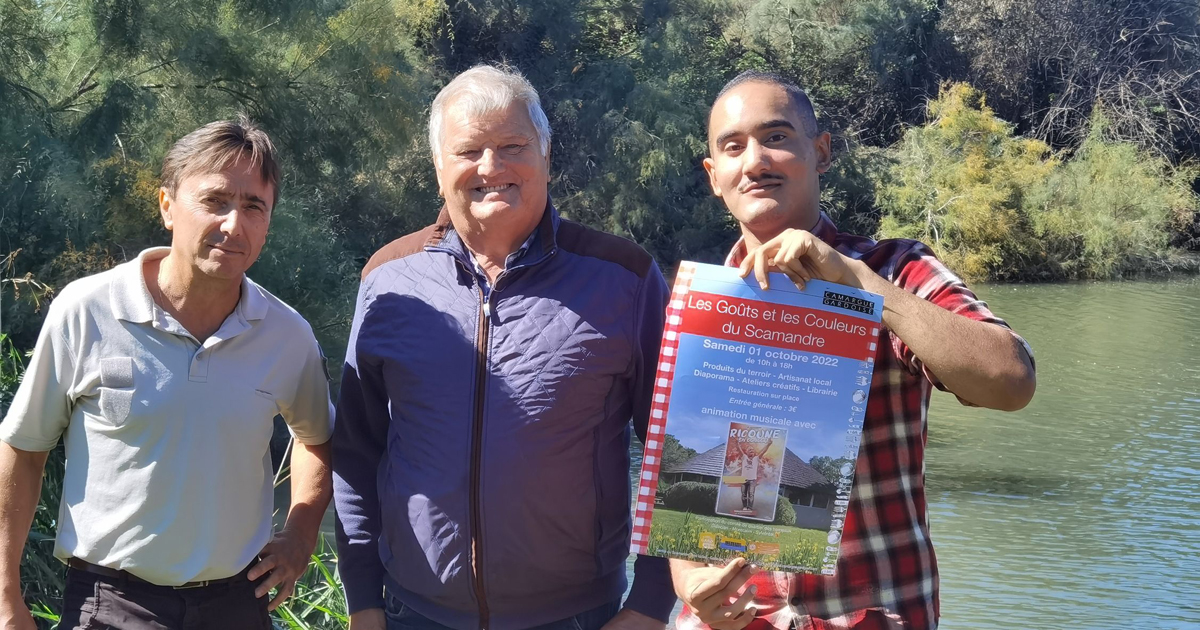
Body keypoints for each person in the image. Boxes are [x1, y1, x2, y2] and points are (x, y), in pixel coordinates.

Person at [669, 71, 1037, 630]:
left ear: (820, 152)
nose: (755, 161)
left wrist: (858, 287)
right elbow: (678, 487)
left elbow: (1011, 381)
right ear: (713, 174)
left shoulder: (895, 271)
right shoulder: (697, 306)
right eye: (733, 146)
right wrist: (692, 584)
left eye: (777, 137)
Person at [331, 64, 675, 630]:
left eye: (513, 146)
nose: (491, 167)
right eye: (468, 151)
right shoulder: (388, 278)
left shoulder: (624, 277)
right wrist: (362, 598)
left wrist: (652, 603)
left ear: (545, 154)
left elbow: (675, 450)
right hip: (412, 612)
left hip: (578, 616)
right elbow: (357, 450)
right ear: (438, 166)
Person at [0, 117, 334, 630]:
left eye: (253, 207)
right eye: (215, 201)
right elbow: (23, 449)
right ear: (166, 206)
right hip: (110, 604)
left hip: (238, 605)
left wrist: (301, 533)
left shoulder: (286, 335)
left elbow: (319, 437)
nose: (233, 225)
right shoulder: (87, 310)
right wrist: (6, 601)